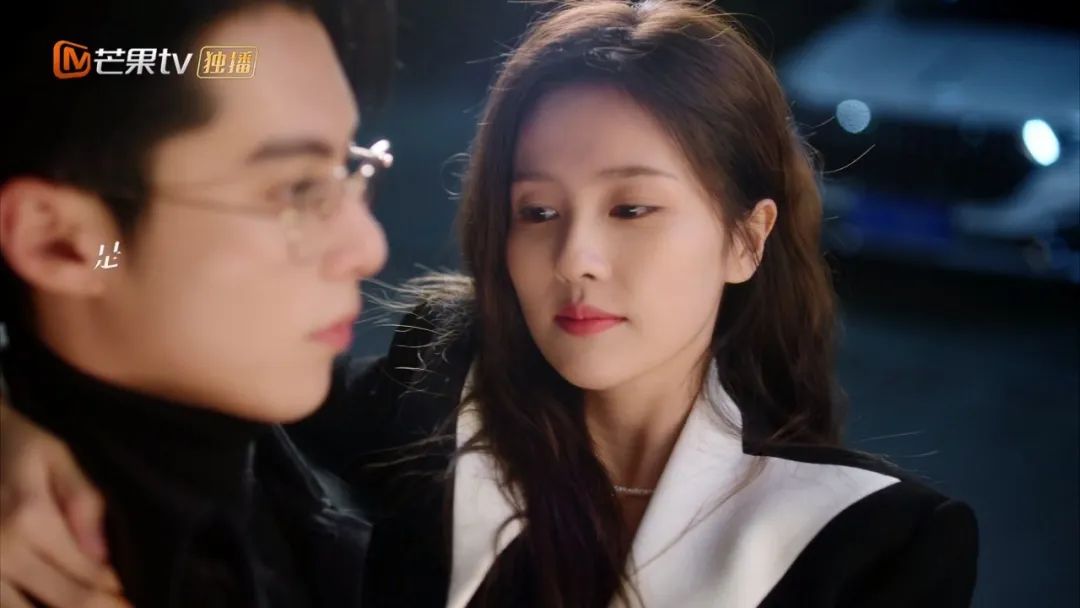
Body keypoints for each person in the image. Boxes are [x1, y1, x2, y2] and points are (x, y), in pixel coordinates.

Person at [2, 1, 980, 607]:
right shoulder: (432, 387)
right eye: (535, 211)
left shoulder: (872, 542)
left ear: (745, 237)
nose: (575, 260)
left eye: (633, 208)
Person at [0, 0, 393, 605]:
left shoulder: (323, 474)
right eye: (297, 188)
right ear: (62, 243)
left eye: (347, 168)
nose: (368, 249)